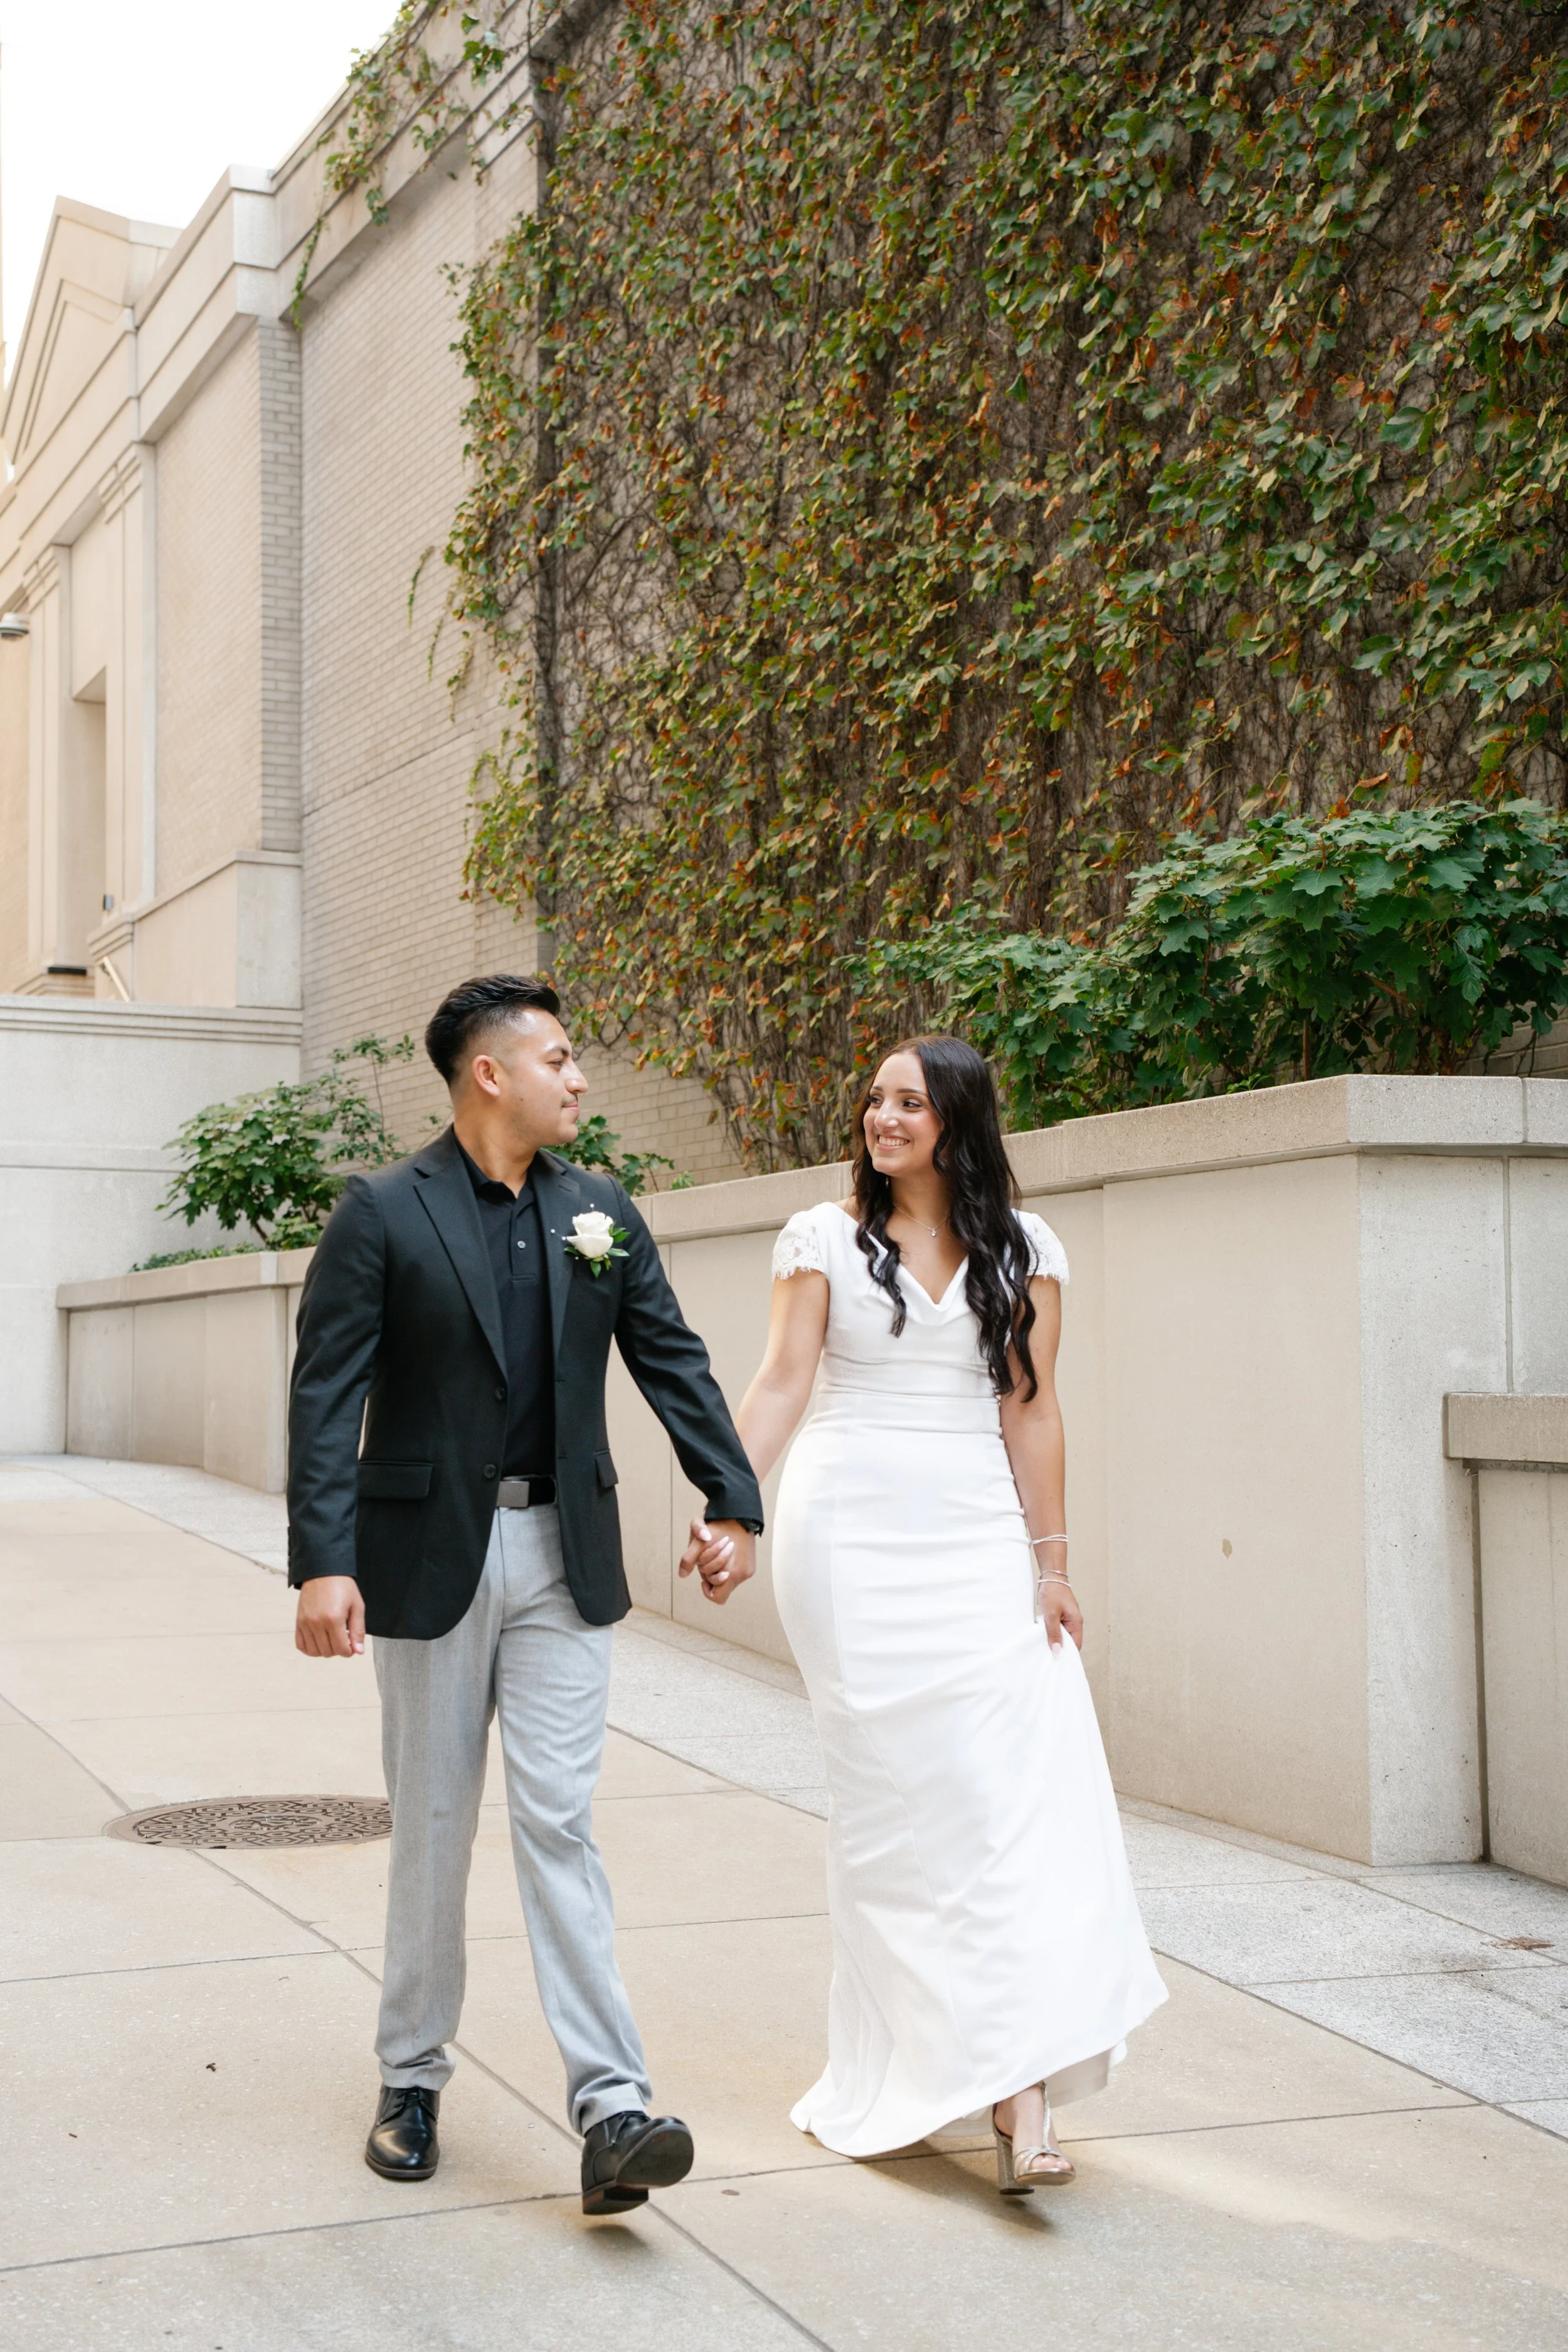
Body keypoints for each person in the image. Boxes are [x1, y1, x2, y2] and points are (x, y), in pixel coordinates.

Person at [288, 973, 764, 2217]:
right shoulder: (383, 1212)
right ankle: (409, 2078)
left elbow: (670, 1357)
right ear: (489, 1072)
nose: (579, 1077)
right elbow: (326, 1393)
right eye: (557, 1057)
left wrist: (731, 1498)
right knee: (434, 1826)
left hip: (565, 1553)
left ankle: (613, 2109)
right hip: (426, 1558)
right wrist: (324, 1558)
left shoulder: (599, 1210)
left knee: (559, 1821)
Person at [685, 1034, 1165, 2190]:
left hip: (979, 1539)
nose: (883, 1116)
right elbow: (782, 1382)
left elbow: (1032, 1411)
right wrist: (730, 1508)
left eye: (910, 1101)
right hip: (850, 1542)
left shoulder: (1026, 1249)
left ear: (959, 1120)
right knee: (898, 1813)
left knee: (1011, 1803)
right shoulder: (823, 1238)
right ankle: (959, 2073)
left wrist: (1052, 1563)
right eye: (875, 1098)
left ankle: (1019, 2087)